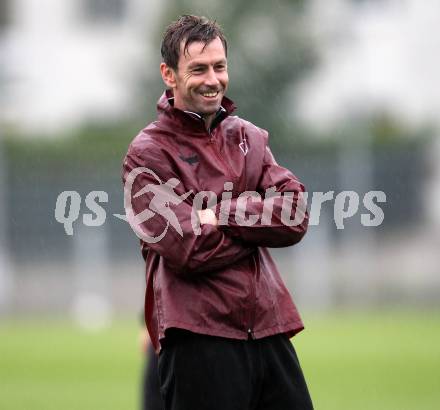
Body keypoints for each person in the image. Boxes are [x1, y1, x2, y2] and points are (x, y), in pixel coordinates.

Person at [122, 15, 313, 410]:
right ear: (169, 74)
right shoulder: (147, 154)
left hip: (268, 328)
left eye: (219, 67)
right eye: (198, 69)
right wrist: (260, 226)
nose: (213, 79)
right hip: (198, 339)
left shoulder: (250, 137)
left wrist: (223, 214)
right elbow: (189, 249)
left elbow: (295, 214)